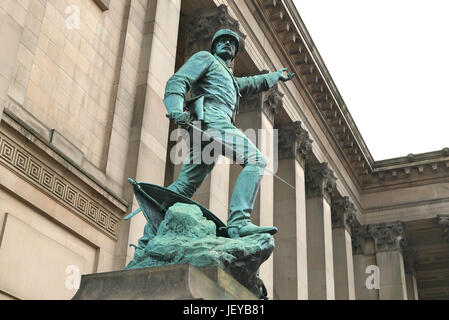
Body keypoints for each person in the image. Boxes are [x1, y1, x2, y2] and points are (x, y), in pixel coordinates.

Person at [138, 29, 295, 245]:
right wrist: (175, 107)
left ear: (234, 52)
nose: (227, 43)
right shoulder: (206, 59)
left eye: (231, 42)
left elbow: (251, 83)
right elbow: (179, 80)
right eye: (221, 40)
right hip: (212, 118)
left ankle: (149, 234)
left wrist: (275, 76)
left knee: (185, 185)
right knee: (257, 160)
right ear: (214, 46)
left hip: (211, 126)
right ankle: (239, 221)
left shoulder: (230, 79)